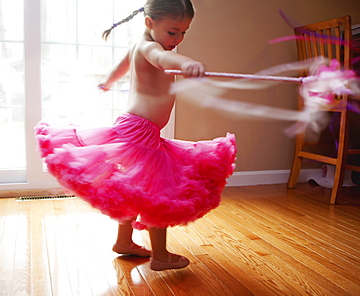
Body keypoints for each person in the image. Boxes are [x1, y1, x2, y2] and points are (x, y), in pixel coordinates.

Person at [35, 0, 236, 271]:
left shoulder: (139, 45)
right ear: (149, 23)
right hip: (140, 131)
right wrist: (186, 62)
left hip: (139, 128)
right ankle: (161, 255)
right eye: (173, 32)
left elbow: (122, 67)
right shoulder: (150, 47)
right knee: (157, 191)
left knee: (135, 188)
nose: (177, 39)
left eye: (184, 33)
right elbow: (162, 59)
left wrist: (109, 81)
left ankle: (124, 242)